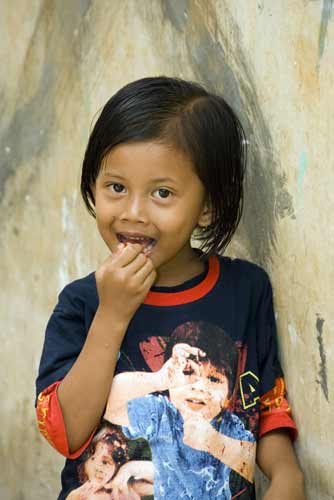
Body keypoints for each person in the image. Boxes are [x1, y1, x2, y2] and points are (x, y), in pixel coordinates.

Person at [35, 76, 305, 500]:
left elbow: (264, 407)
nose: (134, 212)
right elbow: (67, 434)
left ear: (207, 207)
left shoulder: (245, 290)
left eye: (162, 193)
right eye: (116, 188)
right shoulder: (82, 303)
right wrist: (112, 315)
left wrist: (288, 476)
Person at [104, 321, 256, 499]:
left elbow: (249, 462)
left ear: (229, 396)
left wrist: (213, 441)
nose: (199, 387)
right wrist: (157, 379)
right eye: (188, 372)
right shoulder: (161, 414)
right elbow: (111, 408)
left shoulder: (228, 425)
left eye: (214, 379)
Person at [66, 422, 154, 500]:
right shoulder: (78, 495)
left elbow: (164, 477)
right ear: (84, 463)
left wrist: (130, 468)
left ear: (117, 466)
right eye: (93, 458)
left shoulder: (127, 488)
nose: (99, 468)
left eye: (105, 462)